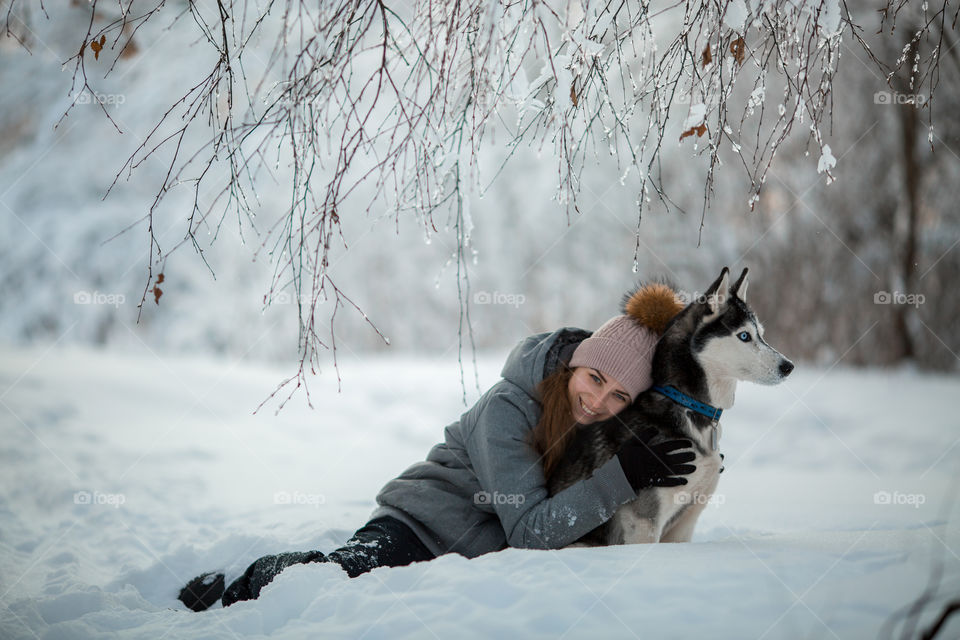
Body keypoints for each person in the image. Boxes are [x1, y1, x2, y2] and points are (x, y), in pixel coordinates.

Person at [178, 284, 695, 612]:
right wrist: (620, 478)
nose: (599, 401)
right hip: (419, 528)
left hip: (471, 561)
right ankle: (238, 587)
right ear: (575, 364)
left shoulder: (600, 427)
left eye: (619, 395)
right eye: (595, 378)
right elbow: (530, 531)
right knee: (334, 581)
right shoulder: (509, 407)